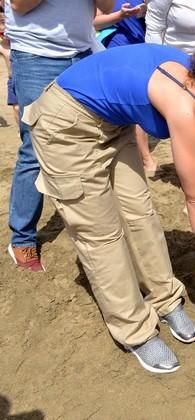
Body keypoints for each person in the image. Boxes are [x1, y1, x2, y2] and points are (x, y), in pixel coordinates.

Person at [24, 32, 195, 373]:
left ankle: (165, 298)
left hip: (114, 126)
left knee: (140, 214)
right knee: (102, 236)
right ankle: (135, 330)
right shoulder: (183, 99)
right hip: (67, 125)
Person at [5, 0, 113, 272]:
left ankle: (93, 222)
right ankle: (23, 237)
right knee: (36, 148)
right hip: (36, 56)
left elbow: (105, 5)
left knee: (93, 142)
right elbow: (19, 5)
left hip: (83, 52)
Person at [94, 0, 158, 175]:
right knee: (134, 100)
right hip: (118, 49)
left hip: (147, 48)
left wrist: (149, 11)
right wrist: (119, 16)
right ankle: (145, 159)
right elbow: (94, 22)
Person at [0, 4, 18, 125]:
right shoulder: (2, 44)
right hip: (12, 79)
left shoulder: (17, 38)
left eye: (3, 21)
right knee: (16, 108)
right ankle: (20, 130)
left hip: (26, 74)